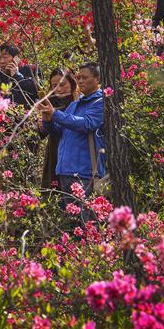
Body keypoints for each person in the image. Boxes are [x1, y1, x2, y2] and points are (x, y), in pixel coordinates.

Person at [37, 62, 105, 226]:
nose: (80, 81)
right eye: (78, 77)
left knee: (86, 224)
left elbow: (86, 124)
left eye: (85, 77)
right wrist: (47, 120)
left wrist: (55, 114)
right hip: (64, 172)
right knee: (71, 225)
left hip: (85, 174)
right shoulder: (75, 105)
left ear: (98, 79)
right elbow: (57, 130)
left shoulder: (101, 102)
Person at [38, 69, 78, 190]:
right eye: (54, 86)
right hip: (54, 151)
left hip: (74, 153)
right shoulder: (50, 103)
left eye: (62, 85)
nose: (59, 89)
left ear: (72, 83)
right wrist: (42, 122)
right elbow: (43, 133)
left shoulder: (79, 103)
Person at [0, 43, 39, 107]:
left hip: (29, 114)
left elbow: (37, 91)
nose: (1, 61)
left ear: (16, 58)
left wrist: (17, 75)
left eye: (5, 57)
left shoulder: (31, 70)